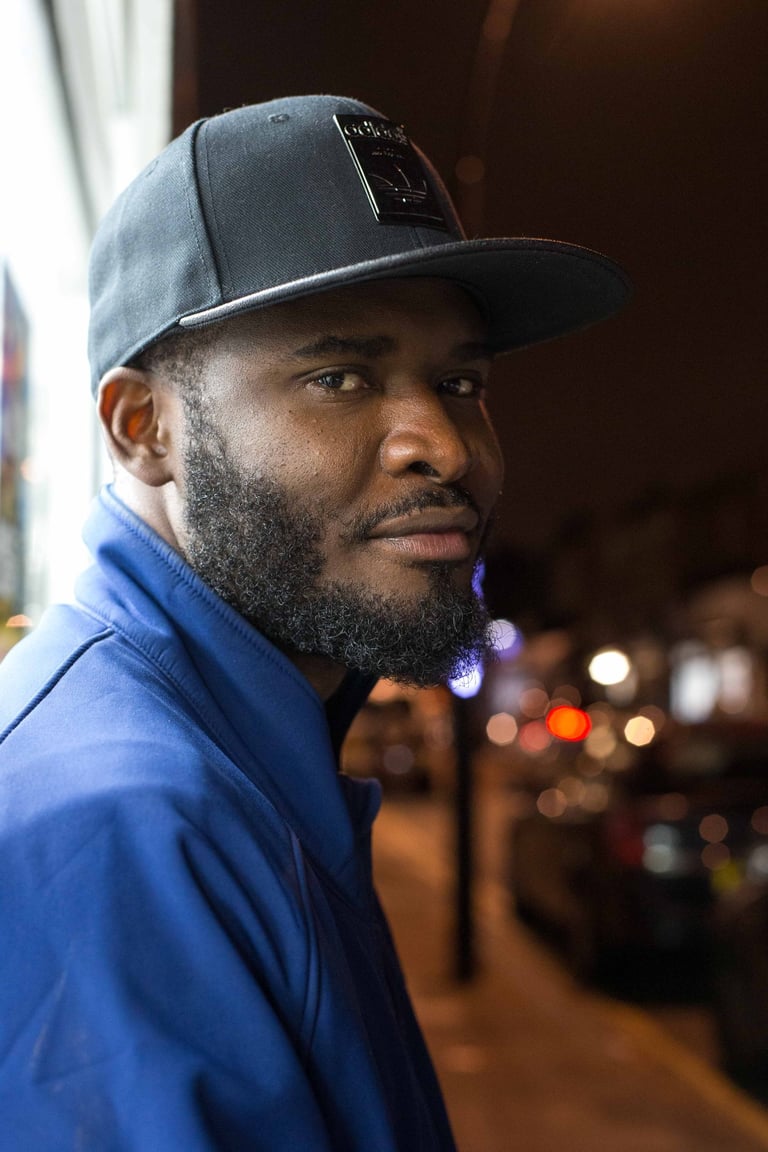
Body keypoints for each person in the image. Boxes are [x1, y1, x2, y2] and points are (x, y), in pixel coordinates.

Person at [0, 94, 628, 1149]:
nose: (443, 445)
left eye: (460, 380)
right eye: (339, 377)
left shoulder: (241, 746)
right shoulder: (123, 828)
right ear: (143, 428)